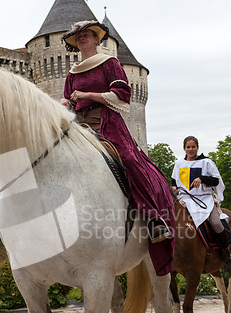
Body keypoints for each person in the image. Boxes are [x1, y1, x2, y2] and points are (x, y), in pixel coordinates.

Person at [61, 20, 174, 276]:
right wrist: (65, 101)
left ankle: (154, 219)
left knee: (130, 160)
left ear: (96, 38)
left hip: (106, 121)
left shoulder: (109, 63)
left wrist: (89, 96)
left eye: (86, 35)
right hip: (78, 124)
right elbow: (69, 100)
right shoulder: (72, 73)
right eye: (78, 36)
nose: (82, 39)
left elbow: (123, 94)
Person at [171, 135, 231, 273]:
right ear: (184, 148)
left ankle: (226, 254)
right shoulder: (179, 163)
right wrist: (173, 187)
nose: (191, 149)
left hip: (205, 199)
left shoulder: (207, 162)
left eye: (193, 146)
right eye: (188, 147)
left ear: (197, 147)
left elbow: (216, 181)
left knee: (215, 222)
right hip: (185, 199)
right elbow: (174, 180)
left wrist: (202, 179)